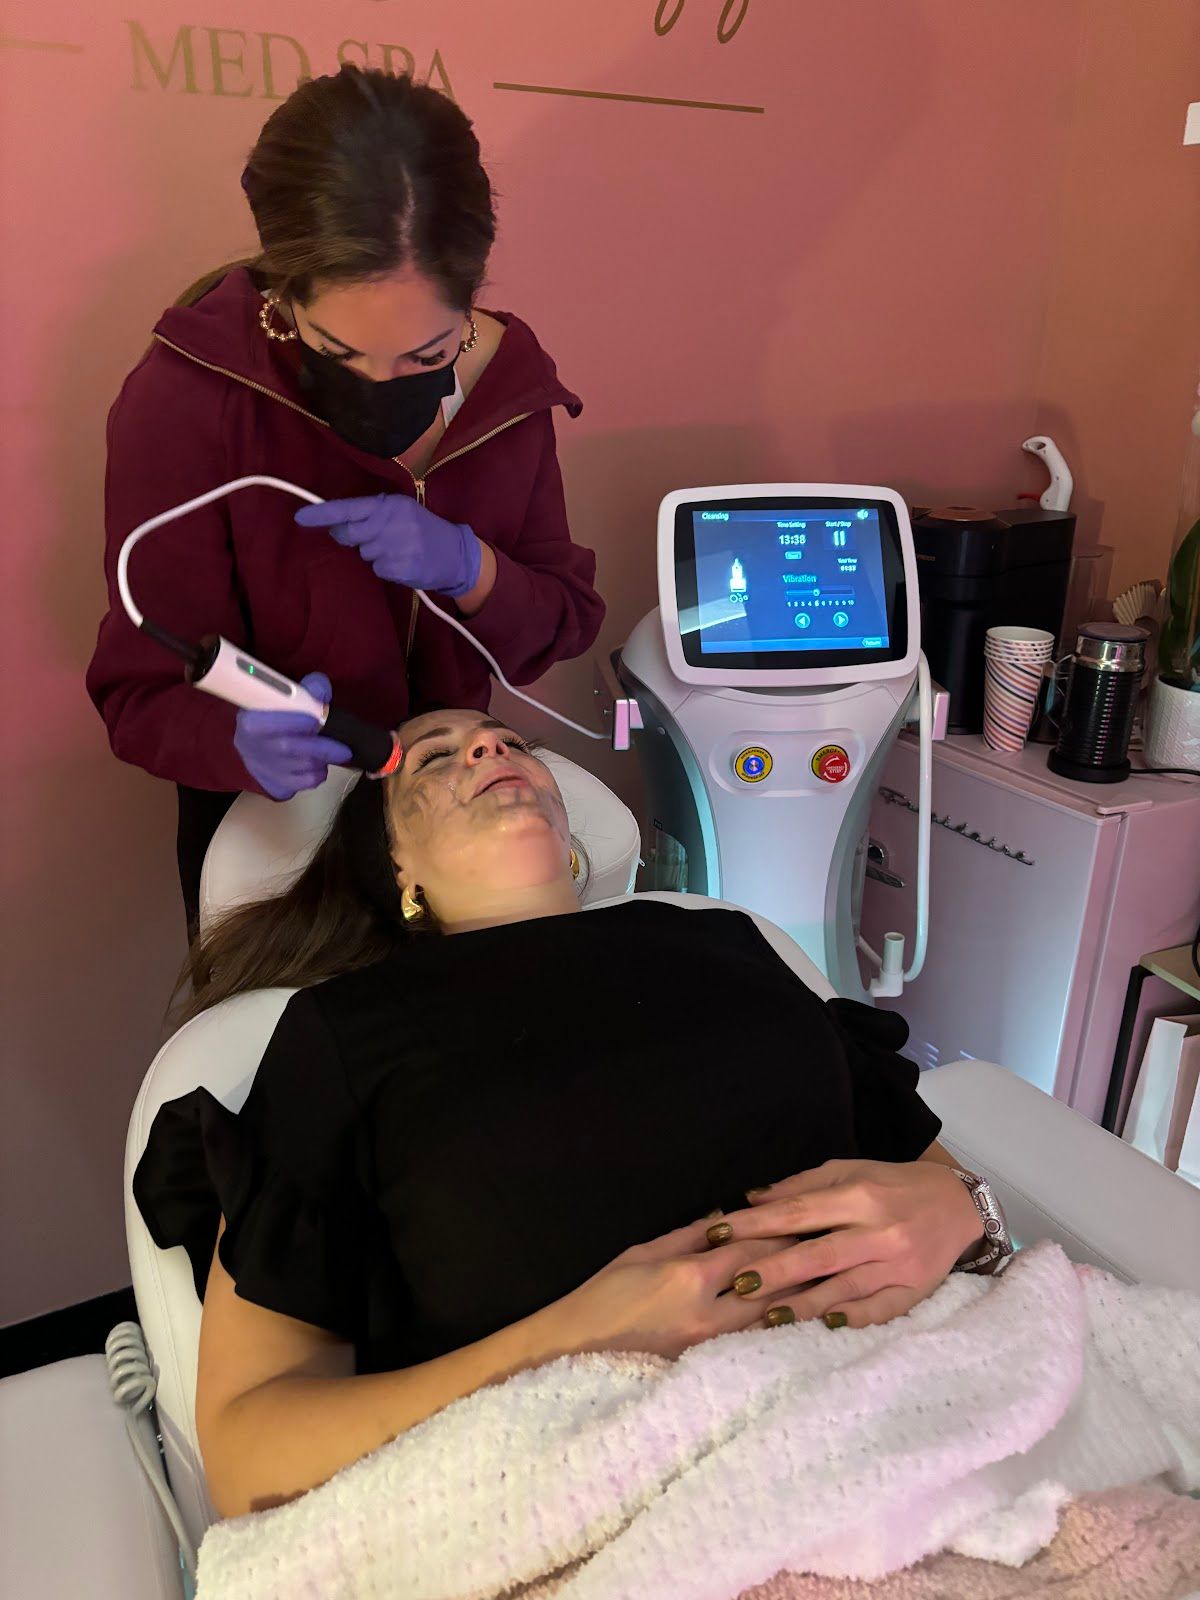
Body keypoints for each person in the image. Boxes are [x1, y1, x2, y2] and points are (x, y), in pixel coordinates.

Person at [134, 710, 999, 1521]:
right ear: (398, 872)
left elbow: (939, 1178)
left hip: (924, 1427)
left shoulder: (727, 941)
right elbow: (251, 1448)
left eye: (511, 742)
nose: (490, 750)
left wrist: (963, 1211)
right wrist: (582, 1335)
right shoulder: (340, 1036)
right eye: (437, 757)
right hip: (599, 1511)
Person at [86, 67, 604, 928]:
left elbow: (563, 622)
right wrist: (232, 744)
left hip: (459, 846)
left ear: (471, 296)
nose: (382, 385)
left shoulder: (509, 391)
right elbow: (138, 693)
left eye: (426, 352)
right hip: (278, 848)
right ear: (286, 297)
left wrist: (468, 566)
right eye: (338, 348)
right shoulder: (189, 401)